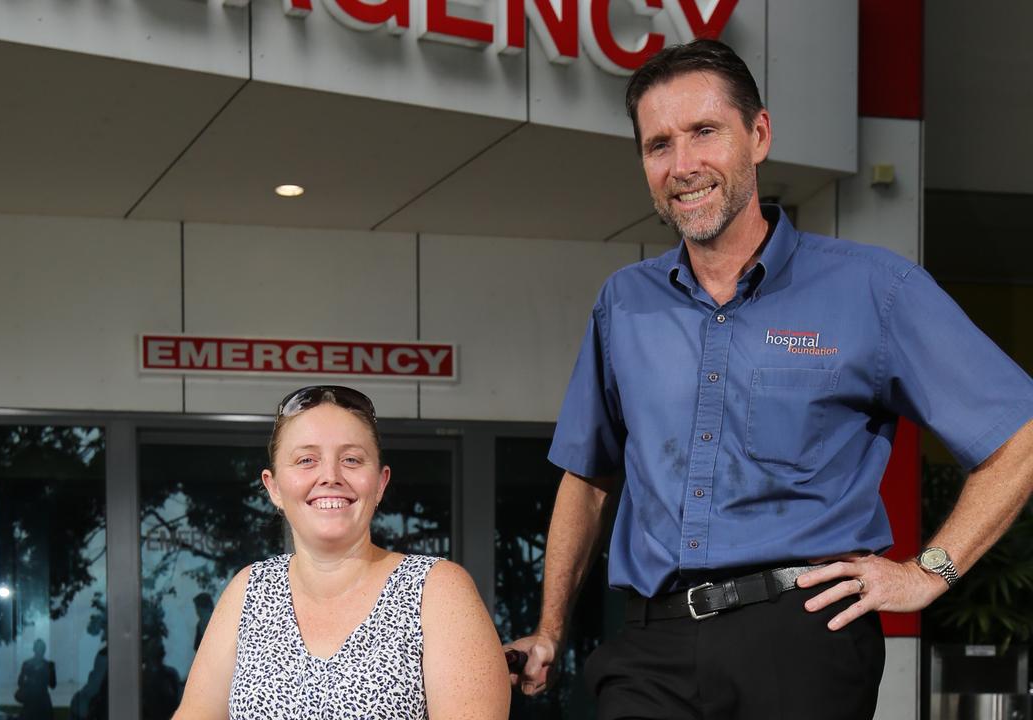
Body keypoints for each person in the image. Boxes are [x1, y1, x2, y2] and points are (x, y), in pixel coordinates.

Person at [505, 39, 1033, 720]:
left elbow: (1017, 433)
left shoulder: (875, 289)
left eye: (704, 132)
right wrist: (550, 629)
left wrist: (931, 572)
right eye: (658, 144)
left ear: (758, 135)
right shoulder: (624, 303)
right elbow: (589, 475)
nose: (682, 164)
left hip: (802, 637)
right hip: (650, 644)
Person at [172, 386, 509, 720]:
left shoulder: (437, 591)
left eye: (351, 459)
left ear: (379, 483)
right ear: (273, 487)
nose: (330, 476)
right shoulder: (249, 591)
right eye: (307, 460)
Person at [15, 639, 56, 720]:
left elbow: (20, 683)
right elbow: (52, 685)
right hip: (40, 703)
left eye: (40, 648)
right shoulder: (48, 665)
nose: (39, 651)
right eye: (39, 648)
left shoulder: (27, 664)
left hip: (34, 702)